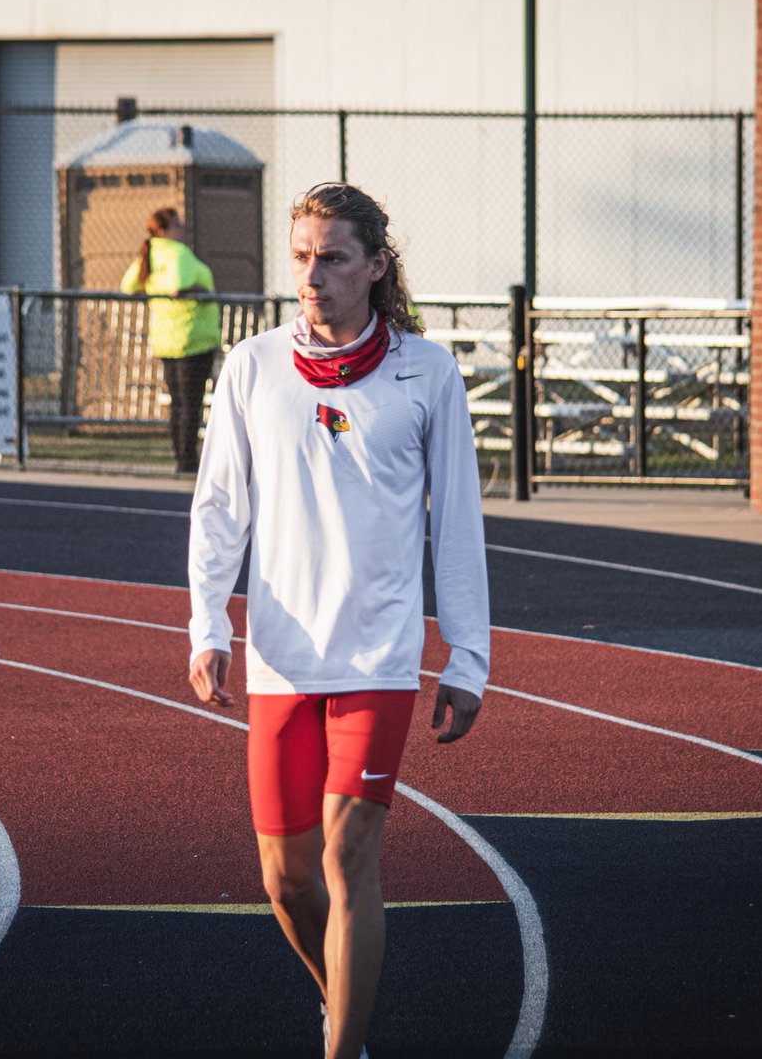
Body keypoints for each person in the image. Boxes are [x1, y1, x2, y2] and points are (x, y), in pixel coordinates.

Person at [187, 182, 489, 1058]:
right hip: (284, 656)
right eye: (301, 256)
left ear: (375, 267)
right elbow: (219, 511)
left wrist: (467, 657)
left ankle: (344, 1050)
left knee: (348, 856)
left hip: (380, 656)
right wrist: (208, 624)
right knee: (284, 881)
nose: (311, 275)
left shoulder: (426, 371)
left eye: (332, 257)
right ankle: (341, 1004)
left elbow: (457, 523)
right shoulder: (250, 368)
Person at [121, 207, 221, 473]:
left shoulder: (151, 253)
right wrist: (202, 291)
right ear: (164, 230)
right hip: (192, 339)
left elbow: (129, 284)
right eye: (178, 225)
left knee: (179, 403)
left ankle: (182, 457)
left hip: (166, 339)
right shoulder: (178, 253)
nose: (183, 229)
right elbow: (178, 285)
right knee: (190, 403)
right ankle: (187, 461)